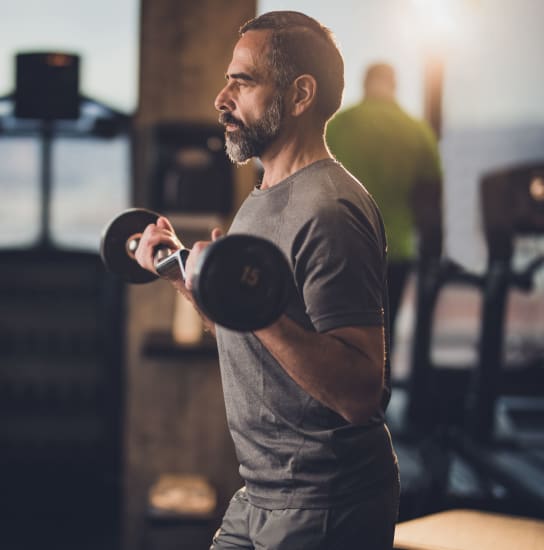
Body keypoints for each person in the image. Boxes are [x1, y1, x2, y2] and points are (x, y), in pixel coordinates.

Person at [135, 11, 399, 550]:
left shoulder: (330, 209)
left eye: (244, 80)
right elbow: (246, 329)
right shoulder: (261, 198)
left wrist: (248, 304)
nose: (221, 97)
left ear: (300, 94)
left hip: (325, 501)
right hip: (261, 492)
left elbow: (360, 391)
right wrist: (183, 274)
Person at [326, 63, 442, 348]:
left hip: (338, 251)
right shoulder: (418, 131)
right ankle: (375, 391)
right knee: (381, 342)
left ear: (365, 84)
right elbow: (429, 206)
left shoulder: (337, 126)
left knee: (332, 340)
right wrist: (433, 258)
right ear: (394, 85)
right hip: (394, 255)